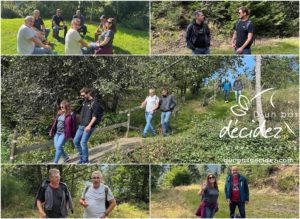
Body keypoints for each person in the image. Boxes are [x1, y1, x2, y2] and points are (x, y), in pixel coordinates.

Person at [73, 88, 104, 164]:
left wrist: (89, 126)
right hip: (81, 126)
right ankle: (82, 157)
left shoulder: (95, 103)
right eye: (81, 95)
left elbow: (94, 117)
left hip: (88, 126)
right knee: (76, 141)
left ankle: (85, 161)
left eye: (83, 95)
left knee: (83, 142)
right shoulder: (84, 102)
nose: (82, 97)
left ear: (88, 93)